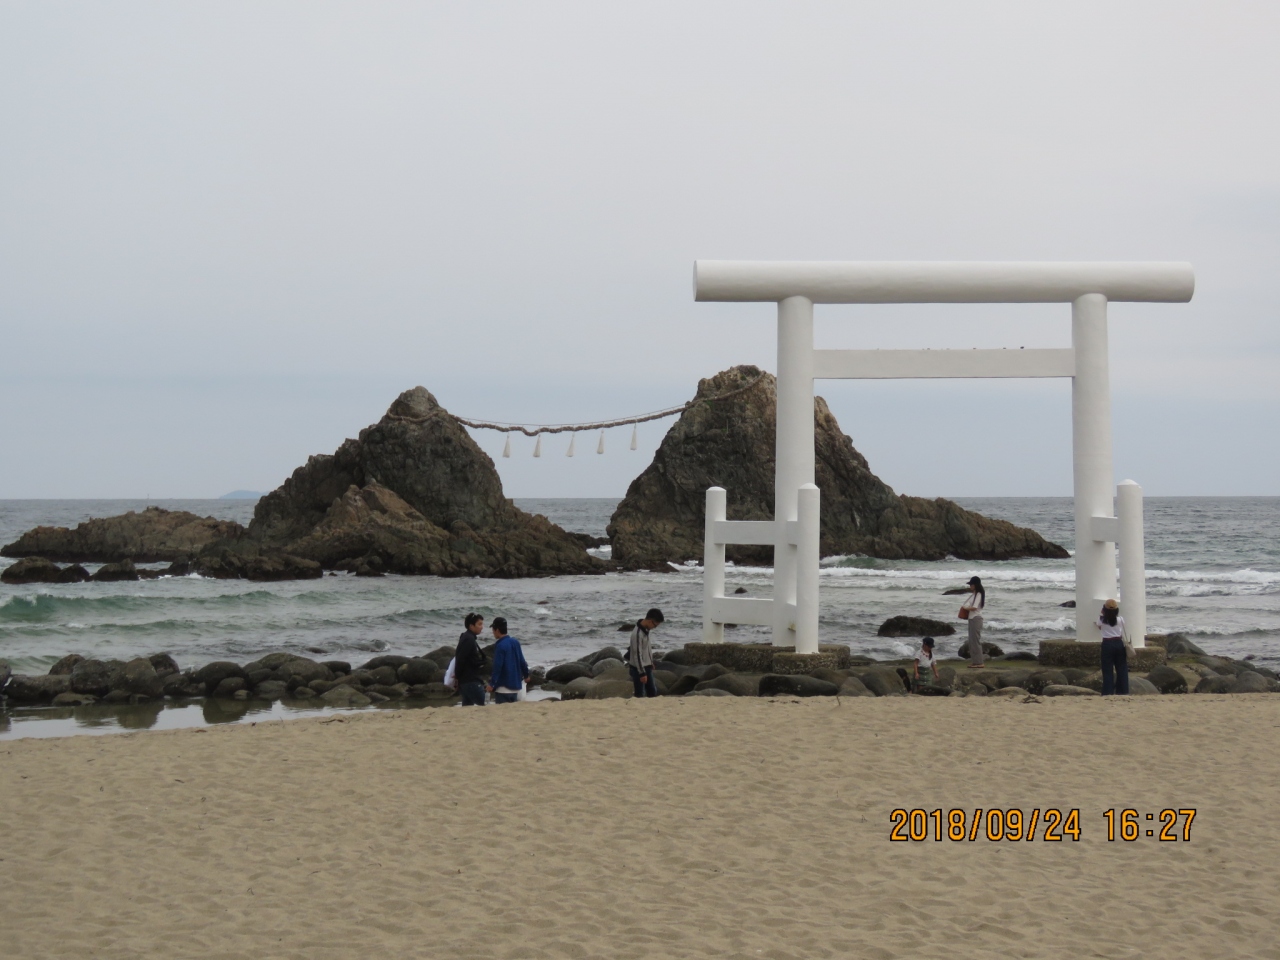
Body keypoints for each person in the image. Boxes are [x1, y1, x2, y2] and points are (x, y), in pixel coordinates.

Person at [488, 617, 529, 704]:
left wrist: (492, 684)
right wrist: (526, 675)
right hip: (516, 687)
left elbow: (497, 667)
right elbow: (522, 661)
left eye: (493, 630)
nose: (493, 632)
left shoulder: (500, 646)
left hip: (503, 688)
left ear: (497, 630)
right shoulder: (515, 642)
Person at [626, 607, 664, 698]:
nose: (654, 628)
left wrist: (650, 662)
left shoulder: (645, 630)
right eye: (655, 625)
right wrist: (642, 673)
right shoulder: (638, 634)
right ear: (650, 621)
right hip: (638, 668)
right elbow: (637, 655)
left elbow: (646, 648)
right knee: (640, 694)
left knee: (652, 692)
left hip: (646, 666)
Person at [454, 612, 488, 706]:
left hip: (466, 681)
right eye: (479, 624)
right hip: (470, 681)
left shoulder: (467, 637)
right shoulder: (469, 639)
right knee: (483, 706)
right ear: (471, 626)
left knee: (467, 707)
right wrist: (457, 677)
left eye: (482, 624)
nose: (482, 627)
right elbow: (460, 659)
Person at [1098, 598, 1130, 695]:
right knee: (1122, 668)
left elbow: (1099, 627)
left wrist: (1103, 612)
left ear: (1104, 609)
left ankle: (1108, 692)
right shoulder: (1120, 619)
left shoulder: (1101, 619)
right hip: (1118, 643)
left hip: (1107, 644)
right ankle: (1123, 691)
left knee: (1107, 669)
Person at [961, 576, 986, 668]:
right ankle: (975, 661)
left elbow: (975, 607)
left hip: (976, 618)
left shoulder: (978, 594)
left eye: (971, 584)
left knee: (975, 641)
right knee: (972, 641)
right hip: (972, 618)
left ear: (975, 585)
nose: (970, 586)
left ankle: (979, 662)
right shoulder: (974, 594)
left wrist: (965, 608)